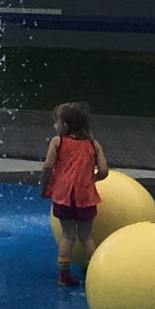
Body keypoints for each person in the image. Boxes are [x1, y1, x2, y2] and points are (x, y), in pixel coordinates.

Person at [40, 101, 107, 287]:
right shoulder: (93, 144)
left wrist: (45, 186)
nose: (55, 126)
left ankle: (64, 276)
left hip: (64, 196)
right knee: (87, 236)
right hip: (86, 198)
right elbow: (104, 171)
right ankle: (93, 275)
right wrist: (89, 181)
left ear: (65, 125)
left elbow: (47, 167)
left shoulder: (58, 142)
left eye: (57, 122)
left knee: (68, 236)